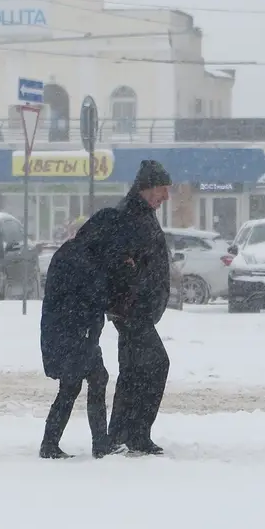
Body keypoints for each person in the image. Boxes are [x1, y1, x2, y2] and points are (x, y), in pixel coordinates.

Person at [102, 160, 173, 455]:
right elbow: (118, 260)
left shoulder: (142, 212)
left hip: (135, 309)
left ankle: (119, 432)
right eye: (162, 190)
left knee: (132, 371)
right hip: (133, 311)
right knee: (157, 365)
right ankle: (138, 433)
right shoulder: (130, 215)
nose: (166, 197)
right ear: (147, 188)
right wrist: (133, 287)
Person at [38, 221, 117, 459]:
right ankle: (94, 444)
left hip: (67, 330)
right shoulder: (83, 259)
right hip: (75, 332)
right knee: (82, 382)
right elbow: (92, 295)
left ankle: (55, 443)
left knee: (82, 382)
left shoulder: (72, 252)